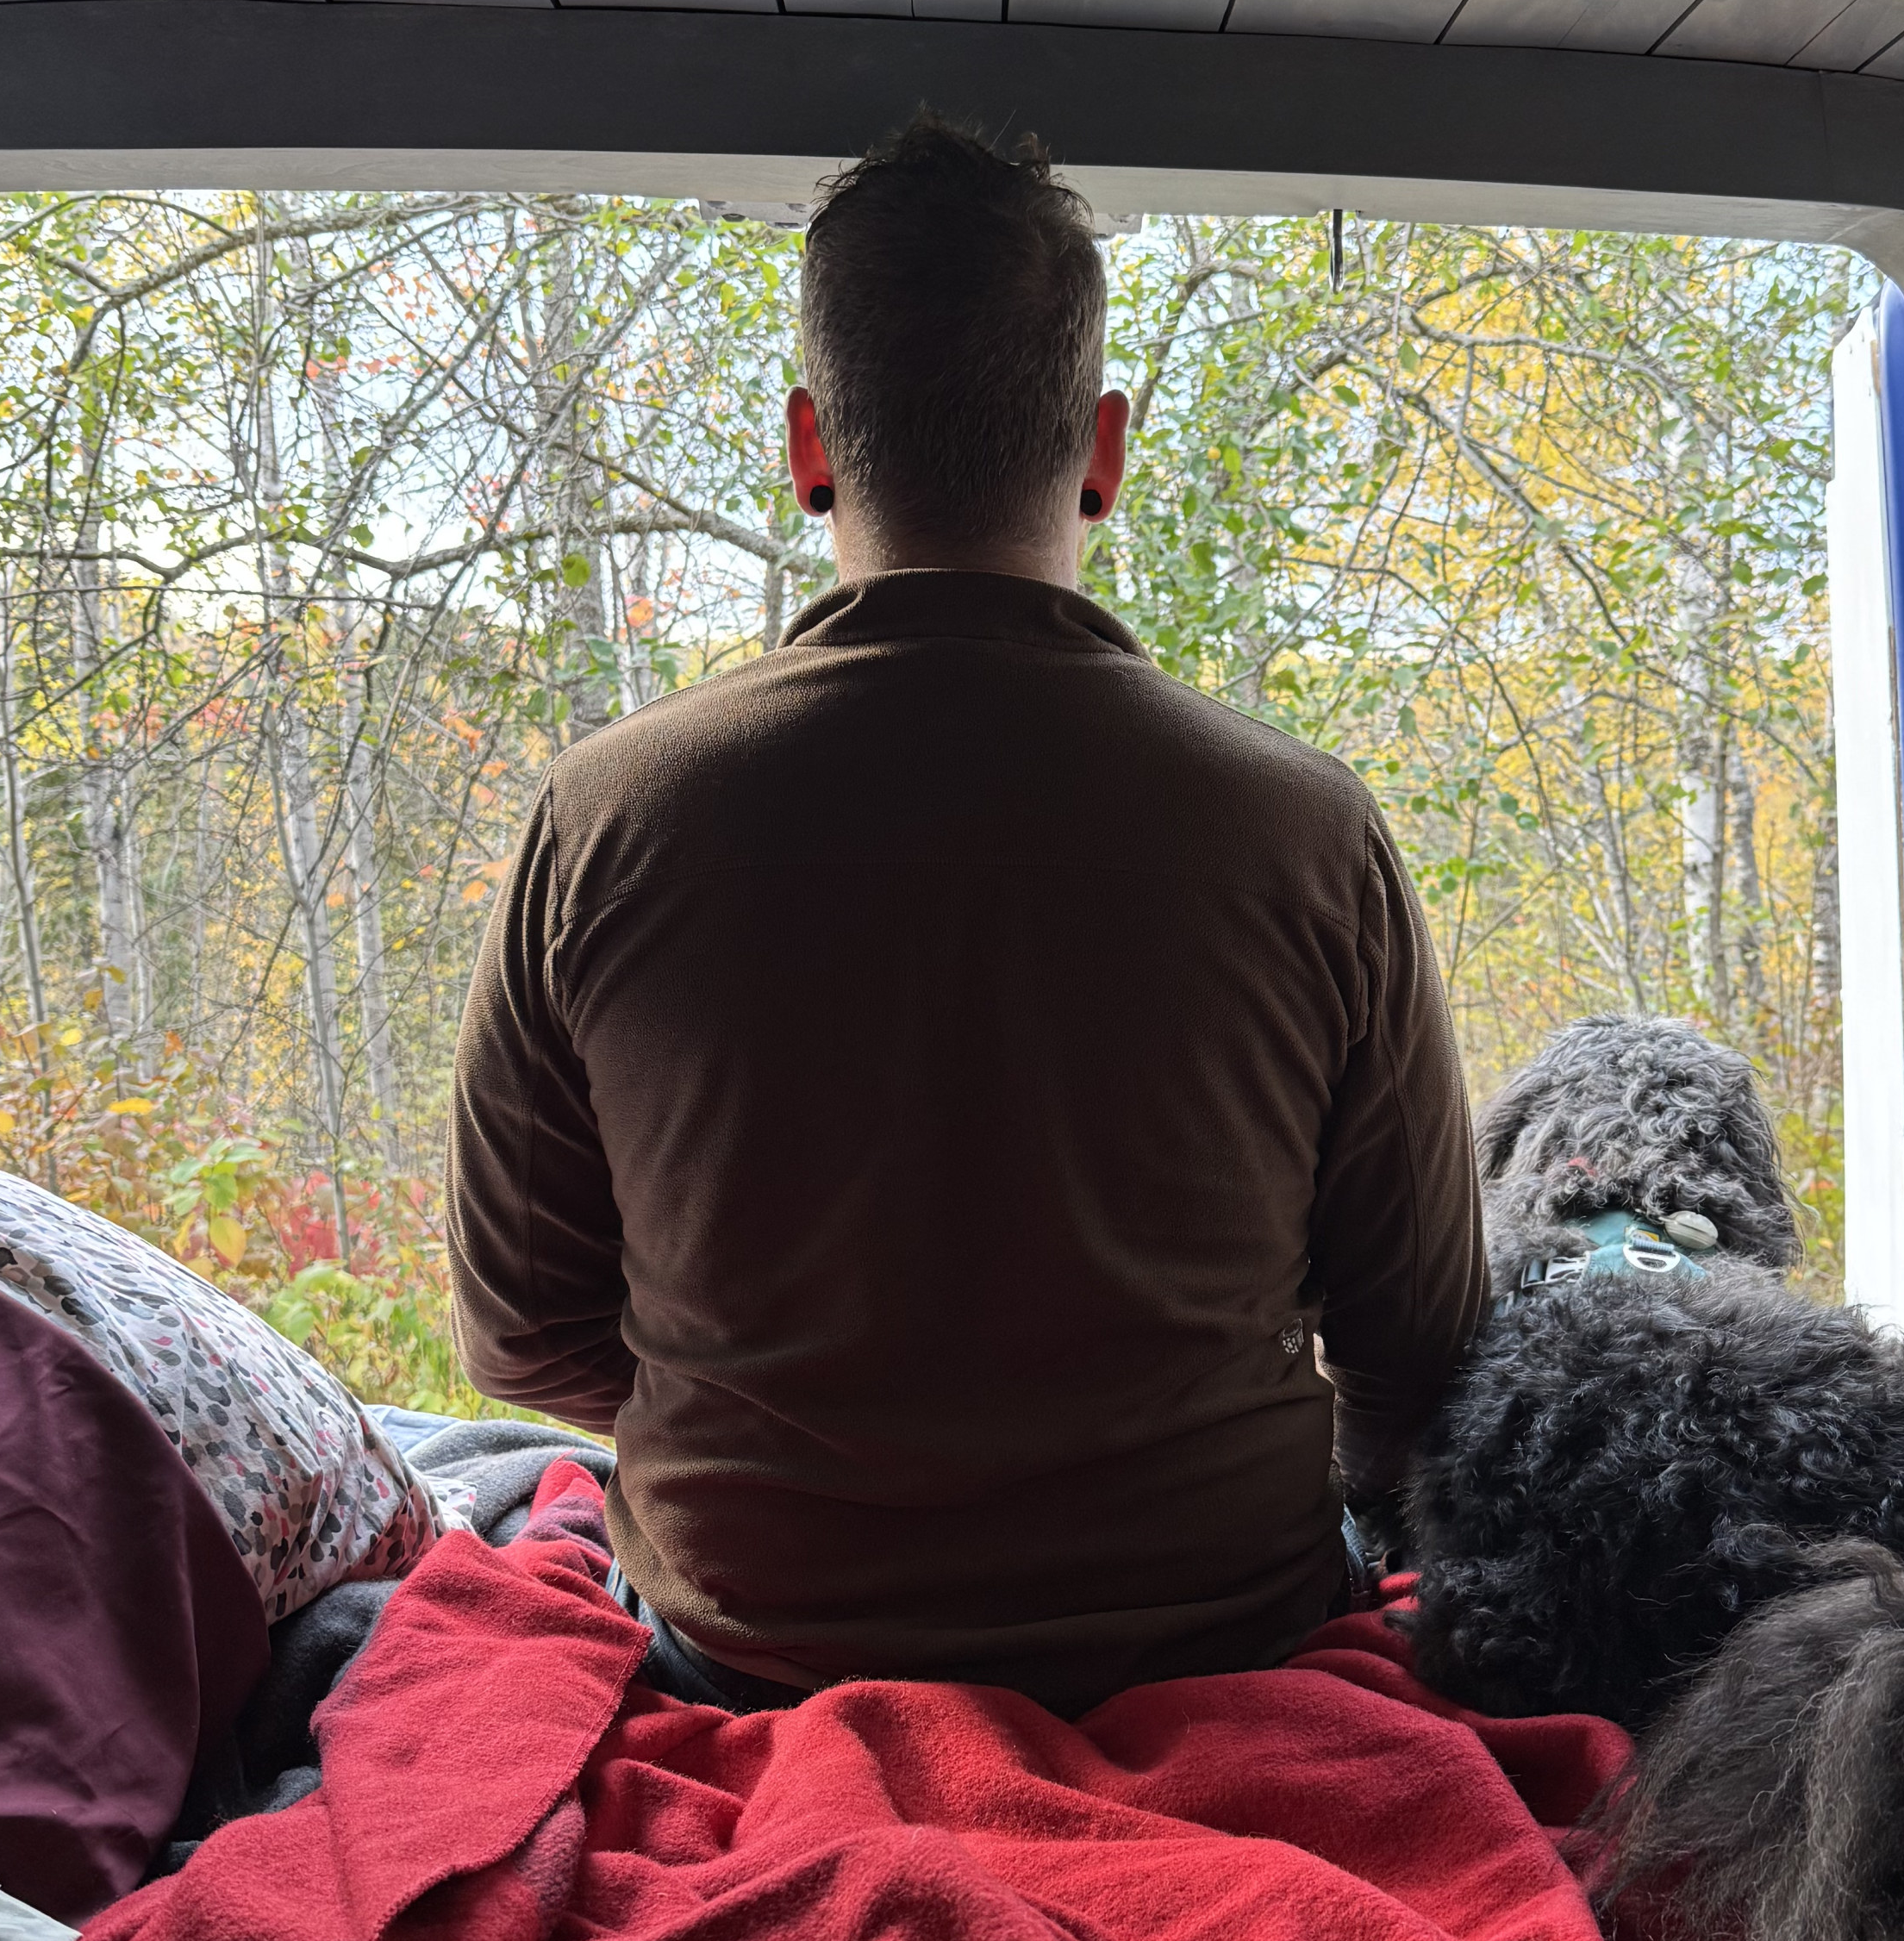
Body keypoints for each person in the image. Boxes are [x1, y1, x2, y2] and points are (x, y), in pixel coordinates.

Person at [446, 117, 1485, 1712]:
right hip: (1219, 1641)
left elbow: (522, 1338)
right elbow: (1419, 1347)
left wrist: (800, 1448)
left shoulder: (606, 818)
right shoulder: (1309, 828)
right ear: (1104, 450)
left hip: (753, 1652)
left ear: (809, 445)